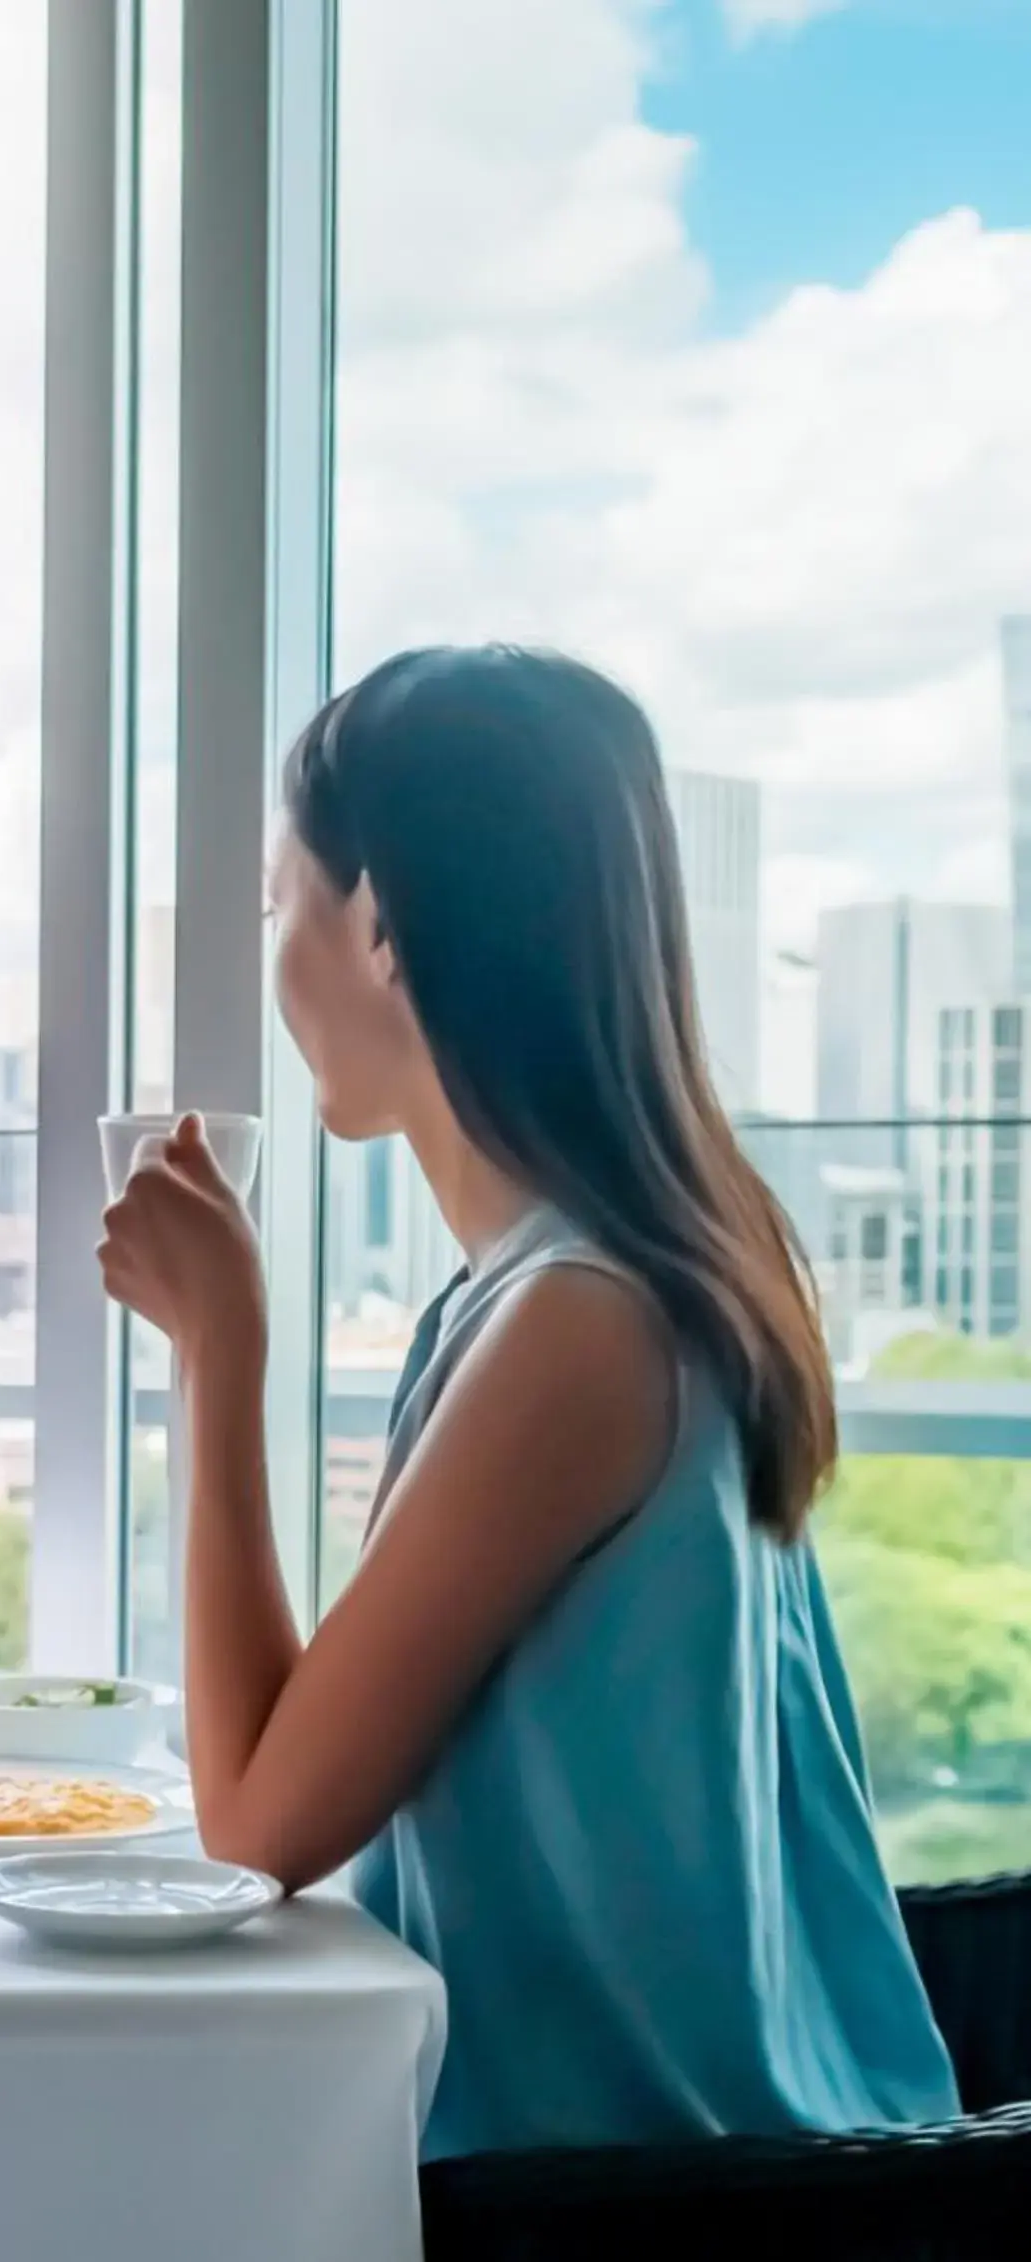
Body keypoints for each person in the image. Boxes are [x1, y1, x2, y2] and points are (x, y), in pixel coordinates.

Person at [97, 644, 958, 2159]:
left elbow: (257, 1824)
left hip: (646, 2235)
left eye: (276, 899)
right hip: (751, 2178)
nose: (270, 949)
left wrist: (216, 1353)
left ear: (378, 923)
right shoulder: (643, 1264)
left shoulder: (578, 1330)